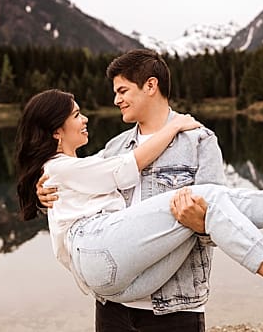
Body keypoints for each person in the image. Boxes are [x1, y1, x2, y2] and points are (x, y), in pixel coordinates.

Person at [16, 89, 263, 321]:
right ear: (56, 130)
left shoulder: (194, 141)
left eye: (122, 90)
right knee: (201, 196)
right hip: (96, 250)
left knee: (206, 201)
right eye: (76, 114)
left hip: (123, 279)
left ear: (150, 86)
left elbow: (82, 183)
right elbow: (124, 167)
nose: (89, 116)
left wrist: (44, 198)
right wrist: (174, 128)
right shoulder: (70, 164)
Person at [34, 49, 234, 330]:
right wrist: (44, 196)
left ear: (150, 86)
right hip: (113, 304)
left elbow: (221, 221)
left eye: (122, 91)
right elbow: (78, 192)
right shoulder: (114, 148)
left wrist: (200, 224)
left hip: (174, 305)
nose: (116, 100)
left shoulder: (199, 141)